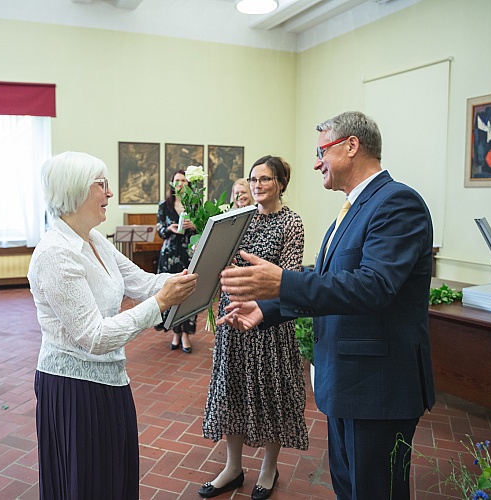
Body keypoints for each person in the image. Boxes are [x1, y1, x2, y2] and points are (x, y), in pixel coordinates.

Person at [217, 111, 435, 500]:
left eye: (322, 152)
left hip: (377, 387)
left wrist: (282, 282)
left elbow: (374, 286)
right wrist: (266, 309)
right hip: (347, 381)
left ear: (351, 146)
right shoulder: (350, 211)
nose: (317, 163)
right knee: (348, 488)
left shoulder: (397, 203)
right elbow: (328, 283)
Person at [28, 151, 197, 499]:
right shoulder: (55, 253)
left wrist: (193, 277)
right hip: (74, 390)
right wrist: (161, 303)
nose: (110, 193)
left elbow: (143, 282)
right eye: (101, 184)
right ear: (76, 190)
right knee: (88, 484)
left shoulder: (95, 240)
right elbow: (95, 337)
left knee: (113, 479)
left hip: (111, 380)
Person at [200, 156, 307, 500]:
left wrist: (254, 291)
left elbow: (289, 277)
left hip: (270, 323)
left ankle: (268, 468)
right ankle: (233, 468)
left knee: (271, 395)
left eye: (265, 179)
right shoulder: (240, 218)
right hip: (234, 319)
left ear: (280, 183)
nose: (257, 185)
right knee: (232, 391)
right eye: (253, 179)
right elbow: (222, 263)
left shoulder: (291, 222)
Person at [156, 169, 197, 352]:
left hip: (189, 254)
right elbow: (159, 230)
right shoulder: (164, 205)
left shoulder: (195, 204)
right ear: (172, 183)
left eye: (184, 180)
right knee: (171, 294)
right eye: (177, 180)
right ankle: (175, 332)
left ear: (189, 184)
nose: (180, 183)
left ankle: (186, 334)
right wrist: (169, 228)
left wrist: (194, 225)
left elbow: (203, 228)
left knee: (188, 294)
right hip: (170, 256)